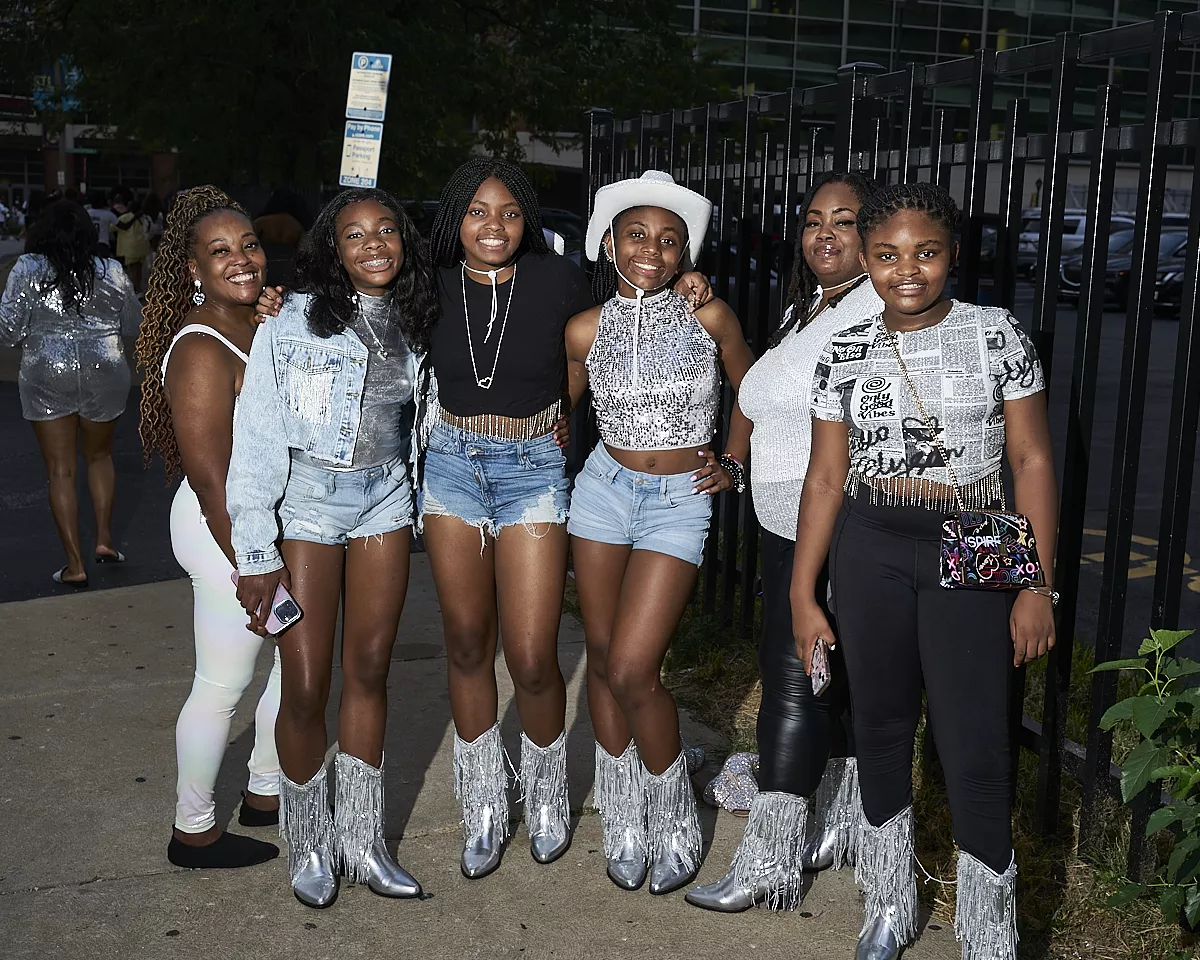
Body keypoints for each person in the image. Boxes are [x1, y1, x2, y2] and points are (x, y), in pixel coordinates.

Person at [412, 158, 712, 881]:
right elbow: (346, 290)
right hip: (451, 464)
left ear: (531, 220)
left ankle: (546, 796)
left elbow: (628, 323)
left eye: (510, 212)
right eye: (478, 212)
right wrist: (274, 304)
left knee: (533, 653)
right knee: (464, 641)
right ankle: (486, 803)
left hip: (533, 473)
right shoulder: (427, 284)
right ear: (456, 217)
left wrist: (695, 282)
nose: (494, 226)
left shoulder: (560, 280)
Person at [792, 182, 1057, 960]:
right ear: (867, 261)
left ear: (951, 255)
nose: (907, 270)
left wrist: (1036, 584)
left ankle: (987, 928)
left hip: (975, 533)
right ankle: (887, 897)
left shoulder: (996, 333)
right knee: (878, 724)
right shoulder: (842, 349)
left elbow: (1031, 458)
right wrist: (805, 593)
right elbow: (824, 479)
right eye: (887, 256)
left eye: (926, 253)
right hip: (871, 537)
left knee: (974, 738)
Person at [227, 187, 437, 909]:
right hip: (309, 506)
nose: (375, 244)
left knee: (370, 672)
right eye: (355, 235)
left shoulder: (418, 319)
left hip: (386, 500)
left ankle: (364, 840)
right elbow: (254, 436)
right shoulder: (288, 322)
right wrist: (256, 553)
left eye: (386, 230)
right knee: (307, 683)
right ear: (333, 249)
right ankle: (310, 840)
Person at [686, 172, 882, 913]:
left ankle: (770, 857)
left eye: (845, 220)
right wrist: (736, 463)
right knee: (835, 685)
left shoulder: (872, 308)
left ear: (874, 234)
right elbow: (766, 398)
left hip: (828, 524)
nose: (825, 233)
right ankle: (845, 825)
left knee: (795, 685)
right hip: (783, 516)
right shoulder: (813, 304)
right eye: (813, 221)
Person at [564, 170, 754, 895]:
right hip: (603, 493)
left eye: (669, 240)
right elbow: (552, 413)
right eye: (638, 235)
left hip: (678, 499)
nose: (653, 249)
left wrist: (732, 461)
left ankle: (672, 815)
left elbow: (751, 385)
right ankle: (624, 814)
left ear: (685, 254)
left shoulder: (708, 315)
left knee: (636, 668)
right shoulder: (586, 328)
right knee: (607, 656)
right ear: (610, 242)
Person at [136, 185, 283, 871]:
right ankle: (192, 831)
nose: (241, 259)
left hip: (261, 528)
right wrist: (252, 562)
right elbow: (209, 474)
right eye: (219, 251)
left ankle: (266, 789)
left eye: (248, 244)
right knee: (224, 685)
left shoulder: (253, 322)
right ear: (192, 270)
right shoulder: (200, 348)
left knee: (297, 657)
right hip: (223, 530)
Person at [0, 200, 137, 585]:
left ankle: (75, 565)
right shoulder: (110, 269)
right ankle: (106, 540)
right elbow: (132, 323)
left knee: (60, 470)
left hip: (46, 370)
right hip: (104, 370)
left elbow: (7, 329)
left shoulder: (28, 269)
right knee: (100, 456)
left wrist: (41, 335)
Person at [115, 191, 151, 292]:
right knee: (138, 269)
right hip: (142, 246)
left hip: (130, 248)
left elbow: (112, 227)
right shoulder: (145, 218)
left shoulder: (125, 217)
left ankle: (136, 289)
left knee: (133, 269)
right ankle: (138, 288)